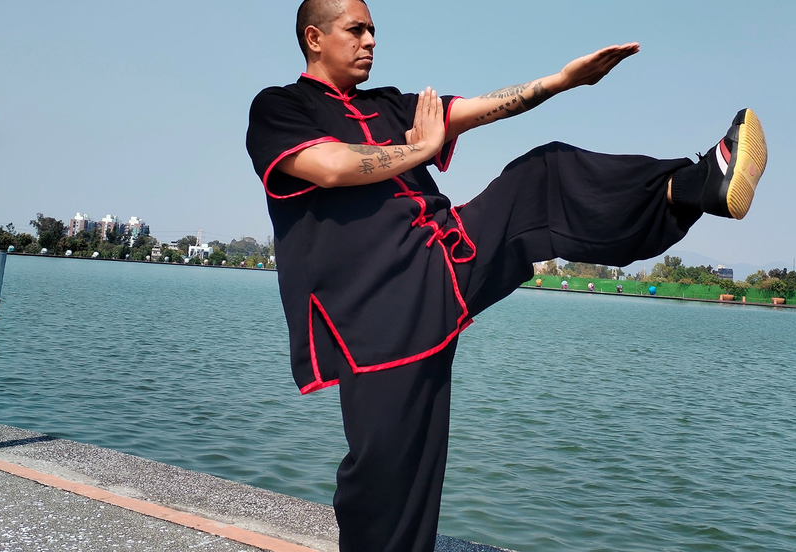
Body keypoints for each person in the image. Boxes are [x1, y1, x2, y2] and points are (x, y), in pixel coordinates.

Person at [245, 1, 768, 551]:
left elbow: (477, 108)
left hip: (445, 257)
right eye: (356, 30)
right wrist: (418, 147)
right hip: (376, 313)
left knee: (546, 174)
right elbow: (329, 166)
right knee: (388, 468)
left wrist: (562, 81)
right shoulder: (280, 108)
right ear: (314, 38)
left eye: (374, 29)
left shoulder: (388, 104)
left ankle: (697, 183)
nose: (370, 40)